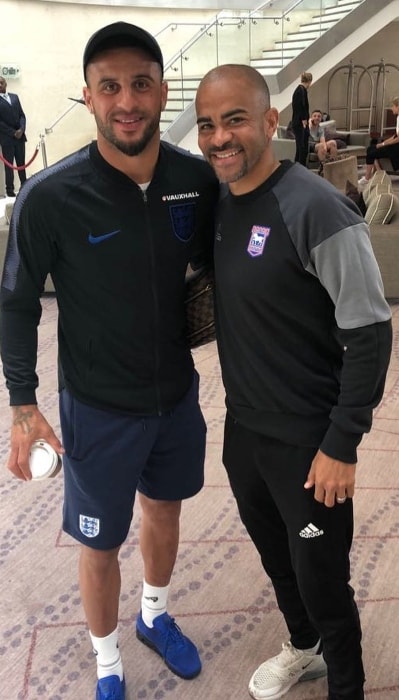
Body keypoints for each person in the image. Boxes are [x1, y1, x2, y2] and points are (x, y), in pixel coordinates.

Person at [0, 22, 218, 700]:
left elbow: (226, 273)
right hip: (97, 407)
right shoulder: (51, 196)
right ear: (89, 98)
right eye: (110, 87)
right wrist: (23, 402)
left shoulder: (195, 179)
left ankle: (153, 617)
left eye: (140, 84)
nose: (127, 100)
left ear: (161, 91)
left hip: (176, 397)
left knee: (165, 511)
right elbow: (15, 302)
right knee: (98, 543)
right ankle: (106, 661)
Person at [195, 64, 392, 700]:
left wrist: (342, 443)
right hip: (246, 431)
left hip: (312, 440)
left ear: (271, 121)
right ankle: (304, 648)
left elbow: (369, 333)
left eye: (235, 120)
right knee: (280, 562)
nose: (220, 137)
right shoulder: (220, 203)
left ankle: (347, 684)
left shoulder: (316, 207)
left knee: (321, 576)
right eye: (207, 125)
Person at [358, 96, 399, 186]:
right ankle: (378, 174)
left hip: (397, 148)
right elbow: (395, 136)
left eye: (393, 106)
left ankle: (368, 178)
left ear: (398, 106)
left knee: (371, 151)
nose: (391, 108)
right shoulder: (398, 117)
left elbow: (398, 138)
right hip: (395, 145)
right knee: (371, 148)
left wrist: (383, 144)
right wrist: (381, 144)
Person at [0, 76, 27, 197]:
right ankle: (10, 190)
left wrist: (21, 129)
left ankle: (24, 185)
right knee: (9, 165)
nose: (0, 85)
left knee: (21, 163)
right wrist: (12, 132)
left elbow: (22, 115)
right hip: (7, 139)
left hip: (20, 137)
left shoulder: (15, 97)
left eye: (1, 83)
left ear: (6, 84)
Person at [291, 71, 312, 166]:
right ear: (309, 81)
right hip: (300, 123)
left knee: (300, 148)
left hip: (298, 122)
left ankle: (297, 167)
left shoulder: (298, 90)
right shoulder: (301, 91)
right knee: (302, 148)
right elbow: (302, 106)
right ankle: (300, 167)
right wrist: (304, 120)